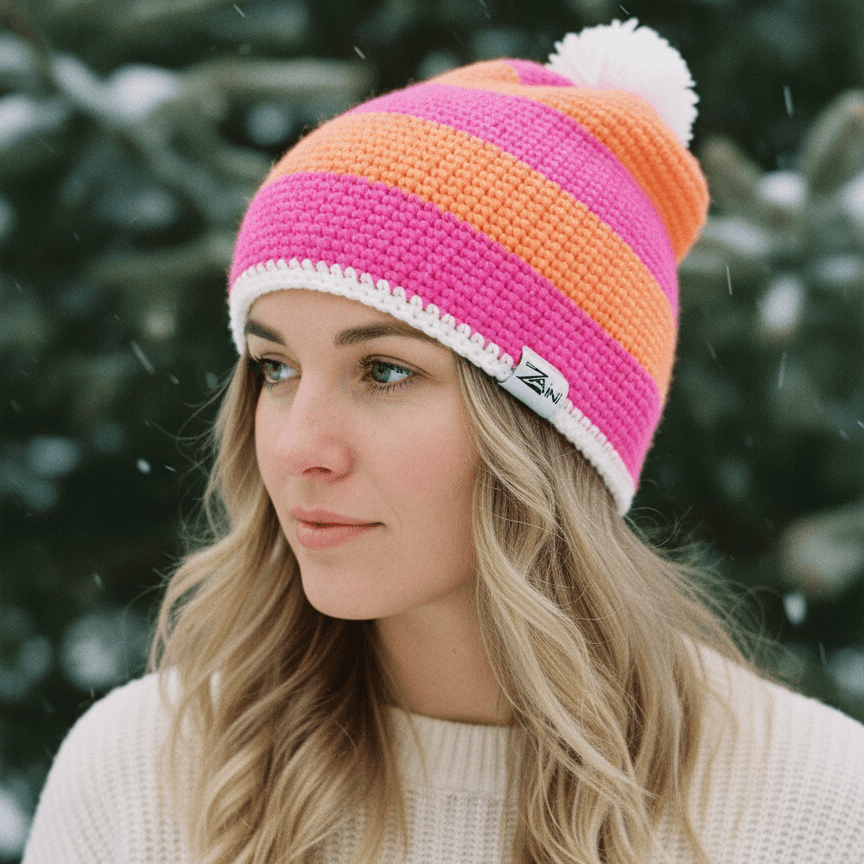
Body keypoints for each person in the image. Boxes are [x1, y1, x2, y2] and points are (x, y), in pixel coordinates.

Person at [22, 18, 864, 864]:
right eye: (275, 369)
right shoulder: (141, 777)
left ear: (547, 427)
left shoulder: (808, 807)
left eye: (384, 371)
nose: (297, 447)